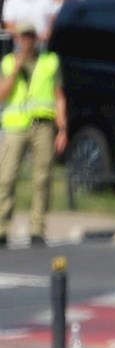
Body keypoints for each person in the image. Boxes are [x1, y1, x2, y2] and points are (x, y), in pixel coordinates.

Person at [0, 22, 63, 246]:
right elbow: (2, 94)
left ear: (36, 39)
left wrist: (62, 128)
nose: (27, 41)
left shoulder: (49, 61)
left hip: (43, 125)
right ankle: (2, 226)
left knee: (42, 178)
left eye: (30, 37)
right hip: (16, 126)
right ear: (17, 39)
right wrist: (15, 69)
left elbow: (59, 96)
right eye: (23, 37)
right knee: (6, 177)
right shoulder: (8, 62)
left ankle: (37, 228)